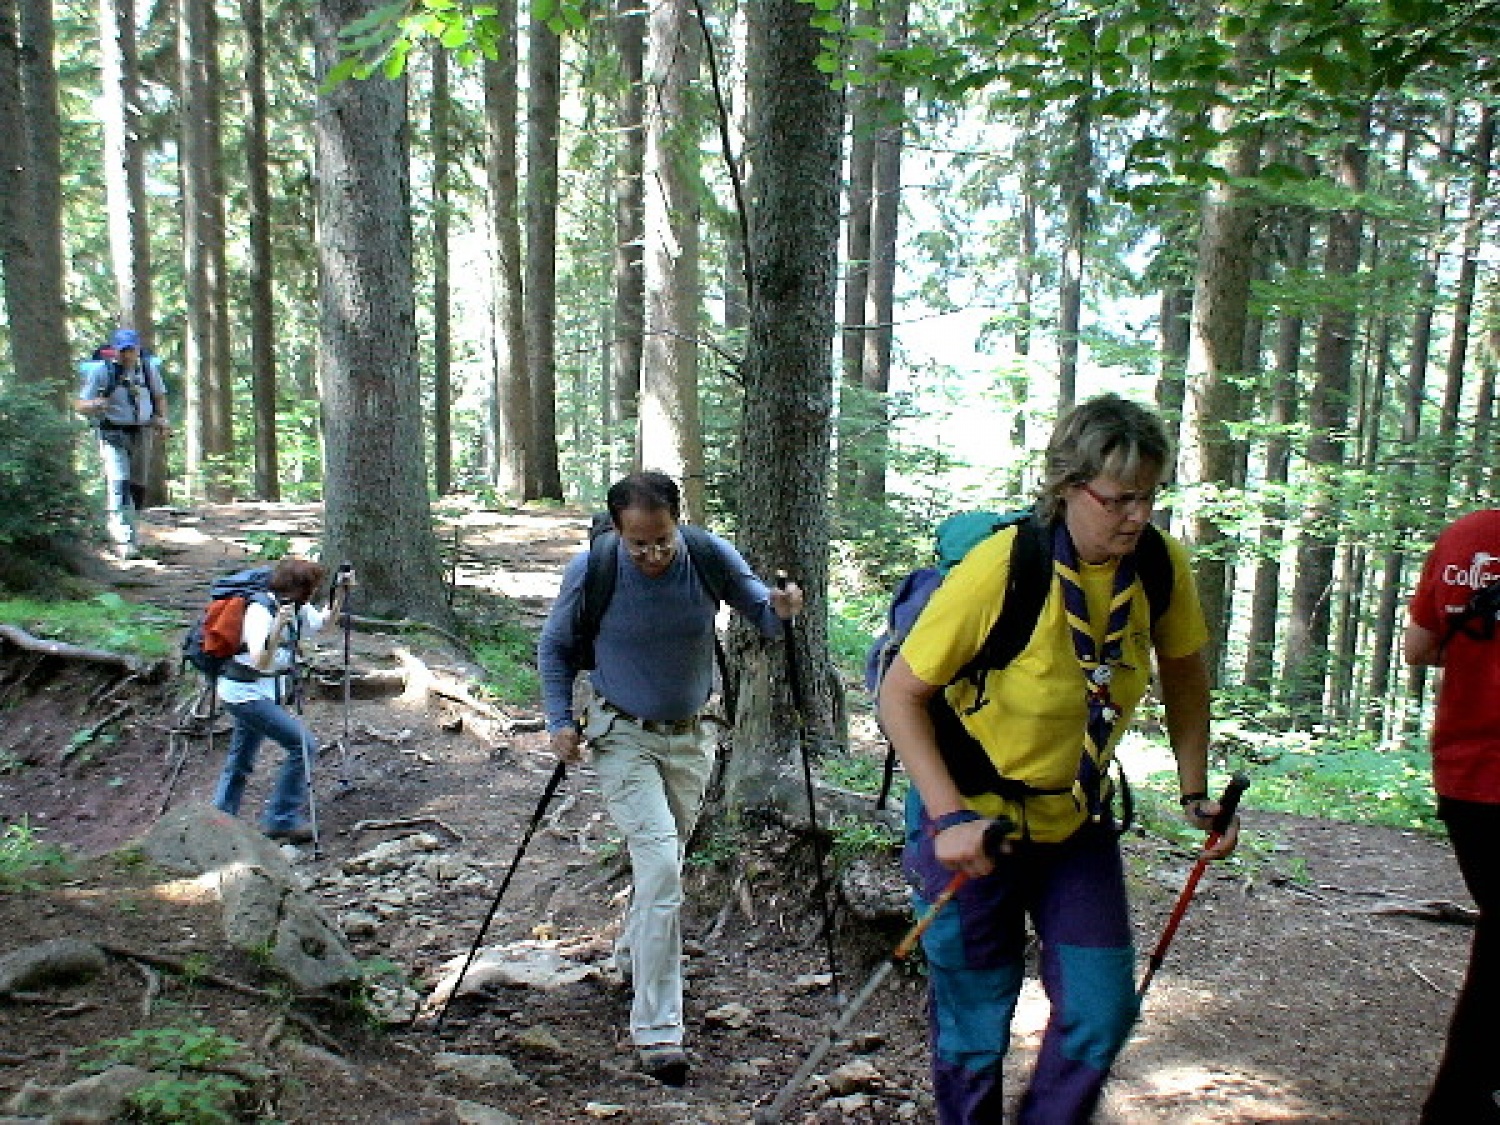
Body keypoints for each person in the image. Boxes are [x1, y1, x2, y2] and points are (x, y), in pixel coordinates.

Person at [878, 393, 1240, 1124]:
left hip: (1073, 819)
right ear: (1068, 487)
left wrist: (1197, 791)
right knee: (976, 1026)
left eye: (1148, 495)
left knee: (1102, 1009)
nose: (1136, 515)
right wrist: (947, 816)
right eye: (1118, 499)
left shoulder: (1159, 566)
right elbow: (899, 696)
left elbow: (1185, 671)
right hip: (971, 821)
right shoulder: (1002, 568)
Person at [537, 471, 803, 1086]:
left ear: (677, 524)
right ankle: (658, 1030)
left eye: (662, 542)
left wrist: (782, 609)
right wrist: (557, 721)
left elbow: (761, 613)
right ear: (618, 533)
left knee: (667, 859)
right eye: (640, 544)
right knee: (659, 865)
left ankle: (633, 953)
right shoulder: (594, 567)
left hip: (692, 734)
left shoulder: (707, 554)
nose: (653, 555)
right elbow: (554, 647)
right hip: (620, 732)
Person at [1404, 508, 1500, 1123]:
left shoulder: (1467, 537)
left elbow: (1420, 646)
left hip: (1467, 778)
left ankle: (1461, 1100)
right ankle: (1458, 1103)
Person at [212, 558, 353, 844]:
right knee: (303, 745)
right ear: (299, 589)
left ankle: (220, 819)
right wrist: (277, 627)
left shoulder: (295, 607)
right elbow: (261, 660)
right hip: (243, 693)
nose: (313, 593)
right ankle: (281, 818)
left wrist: (340, 595)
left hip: (262, 692)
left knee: (241, 758)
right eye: (311, 588)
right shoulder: (259, 612)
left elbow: (324, 626)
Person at [74, 328, 169, 559]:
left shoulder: (148, 369)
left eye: (131, 350)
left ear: (137, 349)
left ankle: (130, 533)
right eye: (123, 350)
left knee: (137, 486)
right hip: (112, 433)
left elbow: (159, 396)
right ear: (115, 350)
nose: (127, 355)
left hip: (141, 432)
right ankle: (123, 541)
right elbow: (79, 404)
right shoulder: (101, 372)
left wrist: (163, 421)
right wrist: (96, 404)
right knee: (119, 483)